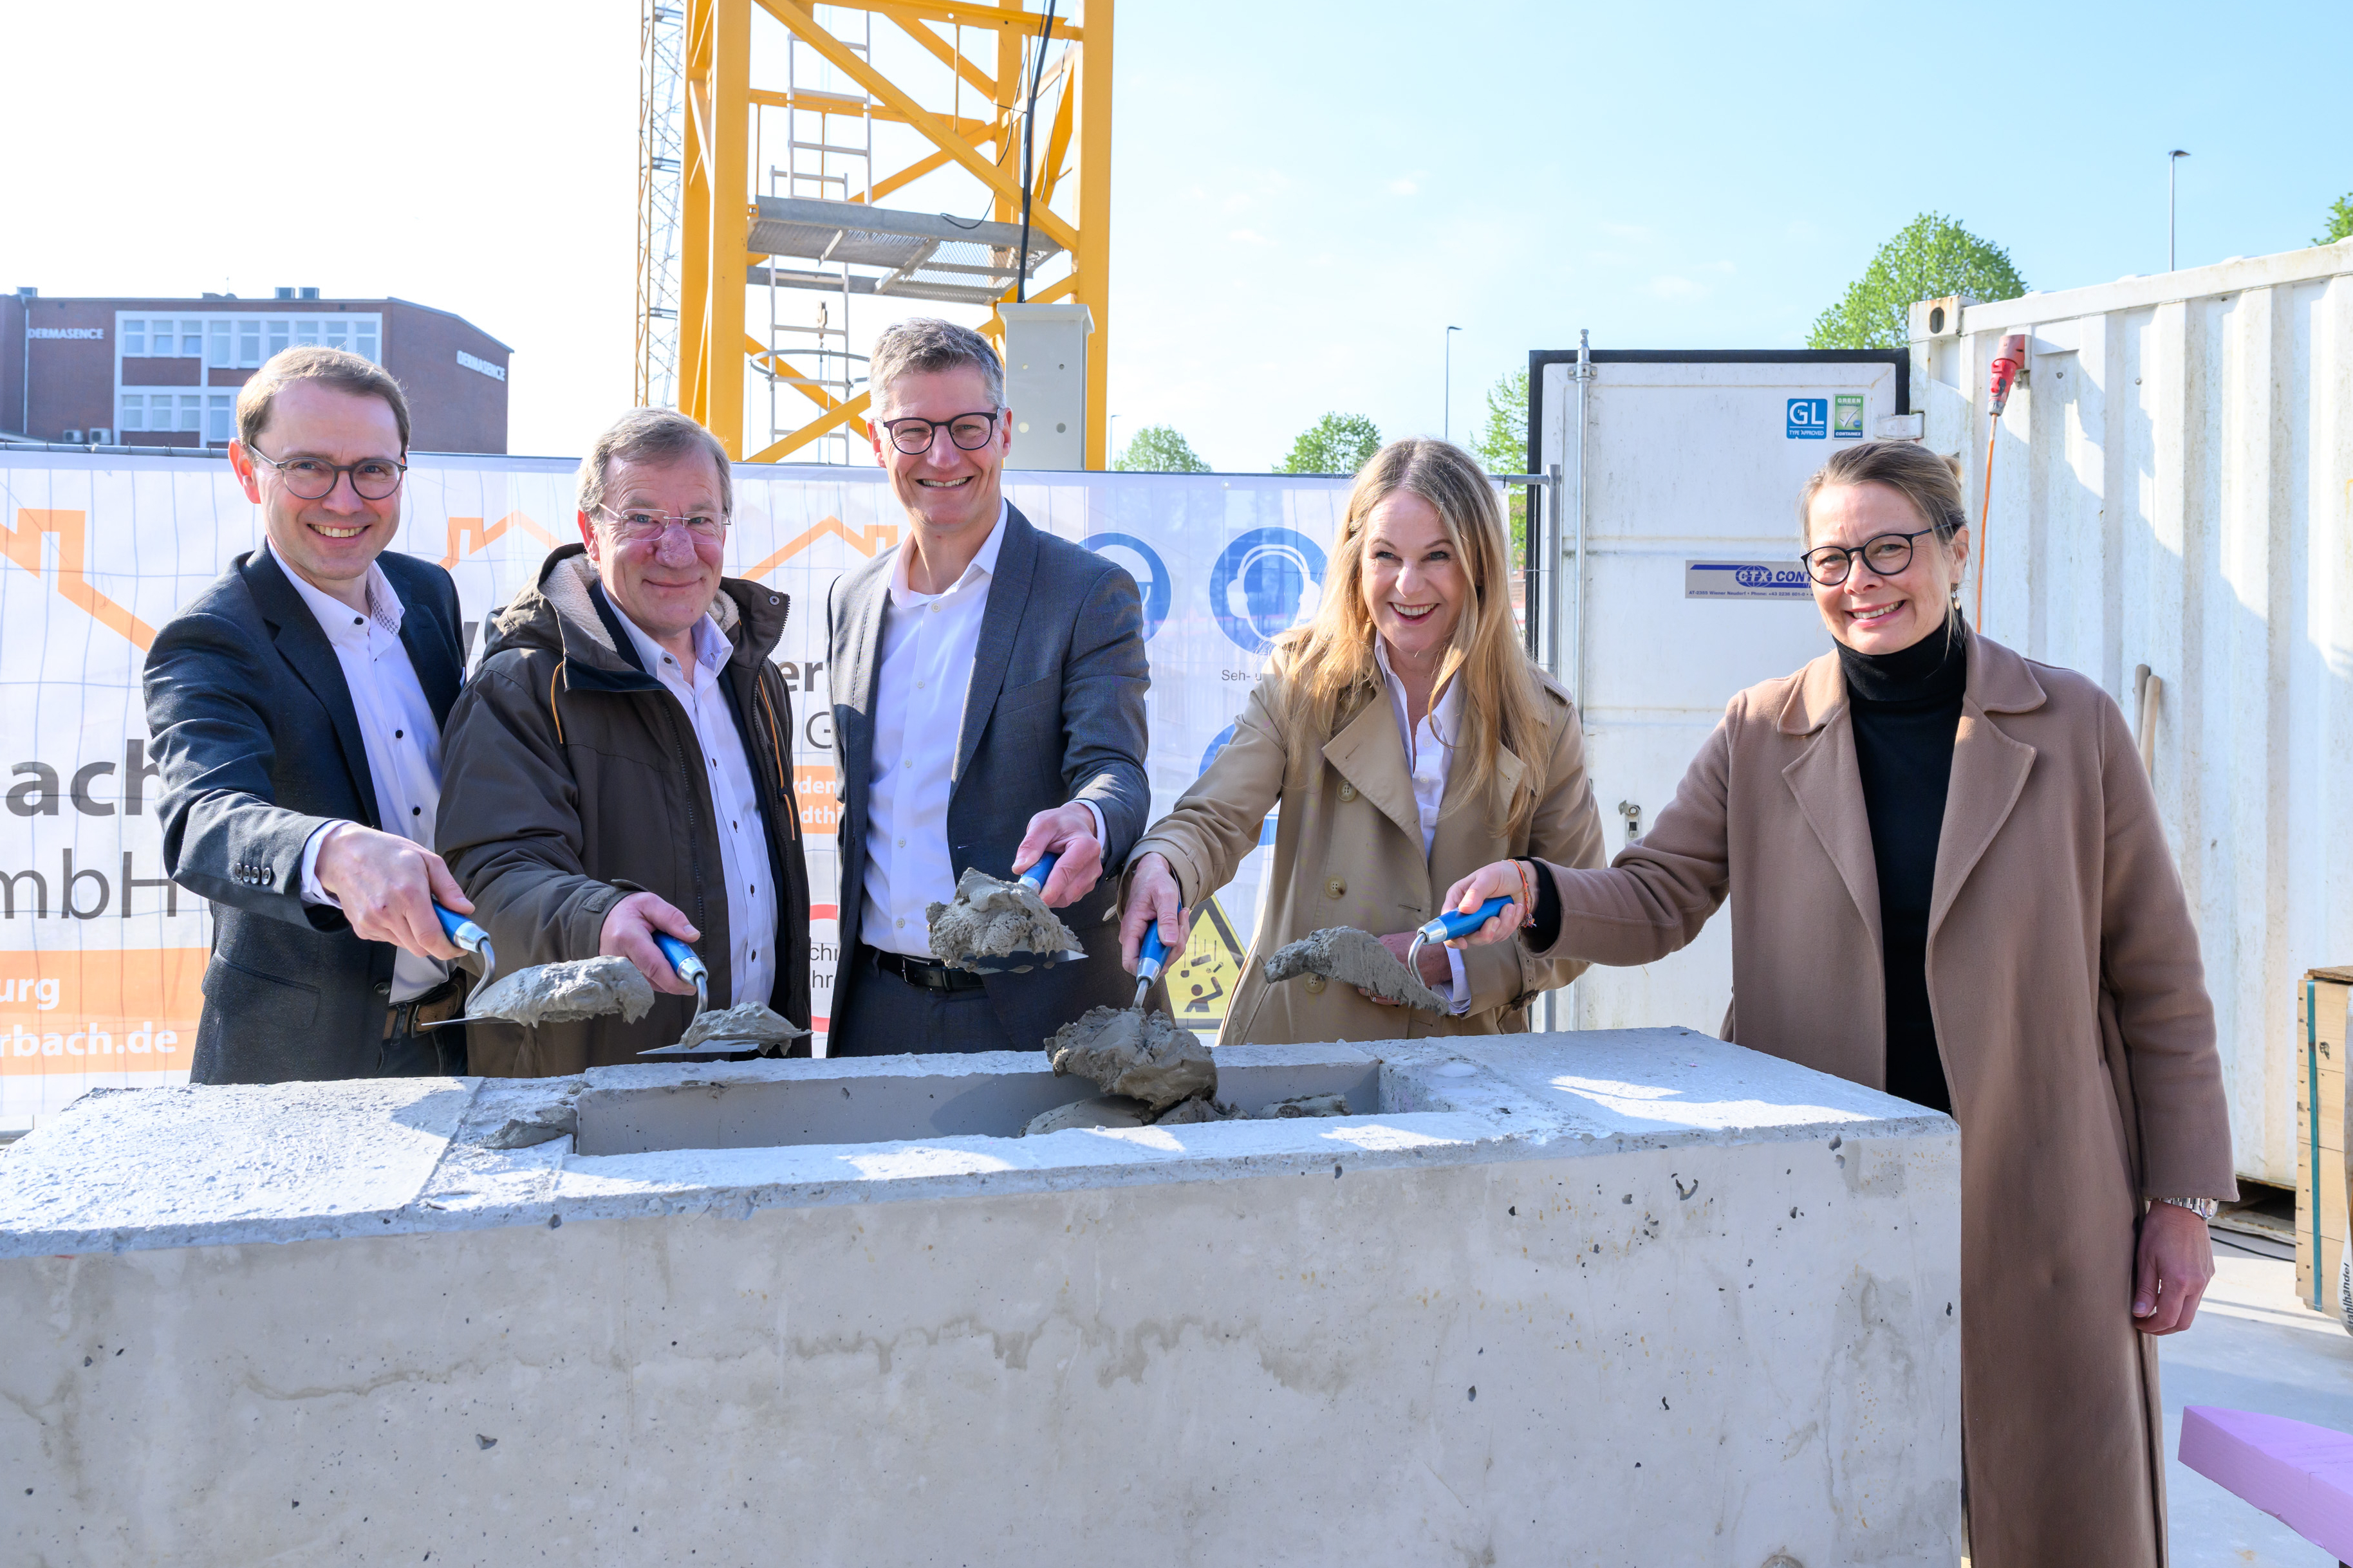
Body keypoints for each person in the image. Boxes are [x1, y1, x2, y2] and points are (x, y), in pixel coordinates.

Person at [1440, 439, 2234, 1566]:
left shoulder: (2073, 727)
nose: (1860, 581)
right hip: (1826, 1187)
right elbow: (1662, 893)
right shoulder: (1760, 729)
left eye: (1889, 548)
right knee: (1821, 1498)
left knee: (2060, 1510)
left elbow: (2159, 982)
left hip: (2041, 1188)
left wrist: (2182, 1201)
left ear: (1959, 551)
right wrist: (1541, 892)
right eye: (1830, 560)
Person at [1119, 438, 1606, 1044]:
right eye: (1384, 555)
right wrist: (1163, 866)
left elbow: (1580, 915)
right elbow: (1216, 817)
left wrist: (1449, 962)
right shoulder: (1302, 682)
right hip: (1297, 1047)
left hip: (1464, 1069)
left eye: (1437, 556)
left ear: (1479, 563)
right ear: (1355, 559)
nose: (1407, 585)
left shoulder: (1541, 719)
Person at [436, 409, 812, 1073]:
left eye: (699, 519)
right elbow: (487, 880)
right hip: (597, 1088)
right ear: (590, 532)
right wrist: (598, 918)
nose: (676, 549)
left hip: (759, 1070)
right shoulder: (523, 684)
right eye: (641, 519)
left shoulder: (752, 677)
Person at [144, 347, 474, 1083]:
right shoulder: (213, 638)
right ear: (245, 468)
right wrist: (332, 852)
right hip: (303, 1067)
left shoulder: (429, 597)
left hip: (466, 1037)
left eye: (372, 469)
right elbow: (201, 818)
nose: (345, 499)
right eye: (309, 467)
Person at [826, 318, 1150, 1056]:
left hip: (1035, 1017)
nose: (941, 456)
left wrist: (1089, 820)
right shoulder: (850, 598)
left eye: (967, 427)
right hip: (873, 1011)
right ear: (877, 441)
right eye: (912, 431)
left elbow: (1114, 768)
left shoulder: (1087, 591)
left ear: (1003, 432)